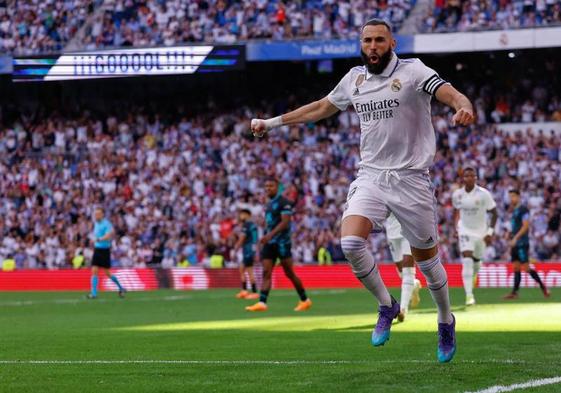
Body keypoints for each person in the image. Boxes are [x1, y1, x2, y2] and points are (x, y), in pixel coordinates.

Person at [251, 18, 476, 362]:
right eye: (367, 41)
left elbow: (448, 91)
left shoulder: (413, 72)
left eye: (379, 41)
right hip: (371, 175)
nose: (373, 47)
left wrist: (463, 105)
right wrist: (272, 123)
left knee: (428, 264)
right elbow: (320, 108)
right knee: (351, 243)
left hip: (412, 178)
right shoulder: (354, 79)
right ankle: (387, 305)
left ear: (392, 43)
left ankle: (445, 320)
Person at [245, 178, 312, 312]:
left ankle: (305, 300)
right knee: (266, 272)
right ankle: (262, 303)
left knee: (289, 273)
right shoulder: (268, 204)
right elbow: (271, 222)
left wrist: (270, 235)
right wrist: (265, 229)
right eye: (266, 186)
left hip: (282, 243)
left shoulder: (285, 203)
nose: (268, 188)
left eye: (271, 186)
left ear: (277, 187)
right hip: (269, 243)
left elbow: (285, 222)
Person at [452, 167, 498, 306]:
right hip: (465, 231)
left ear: (476, 178)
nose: (470, 178)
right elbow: (456, 212)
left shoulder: (484, 194)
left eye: (473, 176)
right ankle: (469, 296)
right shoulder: (457, 195)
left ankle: (473, 275)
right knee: (467, 259)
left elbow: (494, 213)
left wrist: (490, 232)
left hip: (481, 232)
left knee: (476, 262)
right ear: (463, 178)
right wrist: (456, 227)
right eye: (467, 176)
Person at [503, 190, 550, 299]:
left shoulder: (523, 210)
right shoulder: (514, 210)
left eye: (513, 196)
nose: (511, 199)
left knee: (526, 268)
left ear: (519, 197)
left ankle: (544, 288)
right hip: (515, 242)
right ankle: (514, 293)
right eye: (510, 197)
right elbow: (516, 226)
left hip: (522, 243)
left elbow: (525, 226)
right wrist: (509, 234)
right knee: (516, 267)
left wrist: (515, 238)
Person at [385, 213, 422, 322]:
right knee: (401, 272)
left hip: (409, 229)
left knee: (408, 270)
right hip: (392, 232)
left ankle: (403, 309)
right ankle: (414, 284)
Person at [87, 208, 126, 299]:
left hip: (105, 250)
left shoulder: (107, 224)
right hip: (97, 249)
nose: (96, 216)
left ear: (102, 215)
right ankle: (94, 293)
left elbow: (109, 236)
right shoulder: (96, 223)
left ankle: (120, 287)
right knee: (94, 271)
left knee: (107, 273)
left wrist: (99, 239)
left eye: (98, 214)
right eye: (95, 214)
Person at [234, 209, 260, 300]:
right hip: (250, 249)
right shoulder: (253, 225)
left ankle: (254, 292)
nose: (240, 216)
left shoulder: (247, 225)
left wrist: (236, 248)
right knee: (242, 268)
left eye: (242, 214)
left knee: (249, 271)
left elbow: (242, 238)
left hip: (248, 250)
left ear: (247, 215)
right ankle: (244, 290)